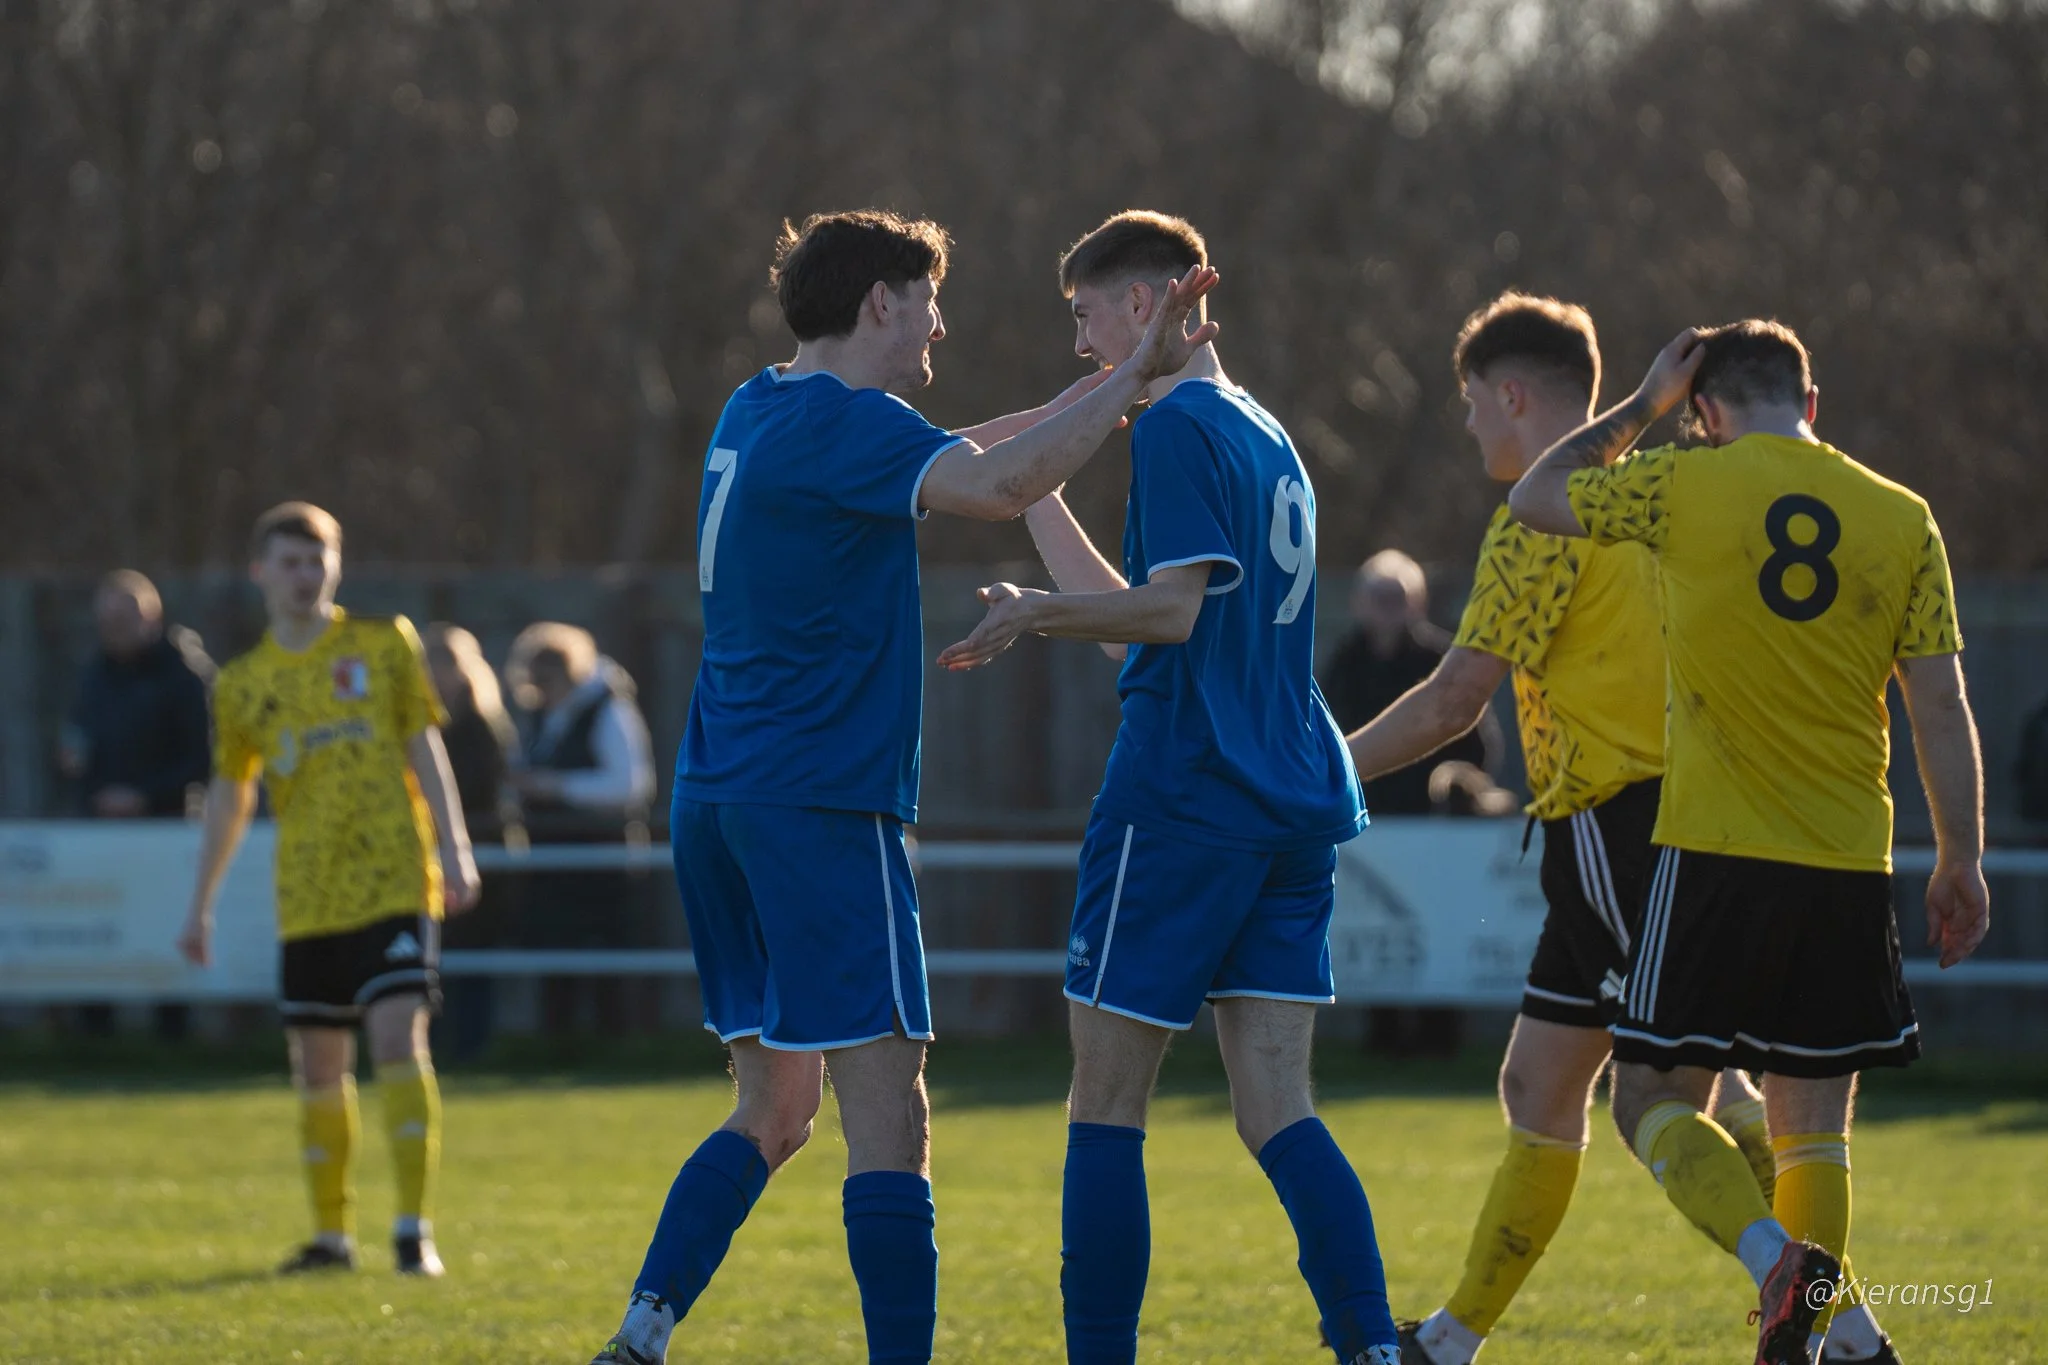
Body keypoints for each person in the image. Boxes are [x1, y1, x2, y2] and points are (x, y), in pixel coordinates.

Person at [589, 209, 1216, 1365]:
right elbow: (997, 487)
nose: (938, 327)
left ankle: (640, 1333)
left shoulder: (759, 407)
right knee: (891, 1115)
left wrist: (1094, 399)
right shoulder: (852, 422)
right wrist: (1134, 372)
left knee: (775, 1110)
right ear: (880, 301)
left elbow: (962, 455)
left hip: (719, 798)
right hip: (820, 807)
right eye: (928, 302)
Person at [939, 210, 1397, 1365]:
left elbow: (1169, 612)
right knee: (1276, 1110)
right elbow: (1142, 629)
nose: (1082, 344)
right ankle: (1372, 1347)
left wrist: (1035, 614)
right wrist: (1033, 495)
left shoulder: (1180, 424)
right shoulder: (1264, 431)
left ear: (1144, 305)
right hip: (1285, 808)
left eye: (1086, 316)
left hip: (1186, 797)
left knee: (1104, 1107)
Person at [1344, 294, 1831, 1363]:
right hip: (1651, 827)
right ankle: (1448, 1342)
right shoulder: (1670, 493)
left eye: (1472, 402)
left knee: (1666, 1091)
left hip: (1625, 828)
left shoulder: (1547, 514)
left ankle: (1814, 1301)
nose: (1469, 423)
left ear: (1513, 395)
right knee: (1540, 1083)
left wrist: (1317, 774)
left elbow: (1451, 700)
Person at [1510, 321, 1989, 1364]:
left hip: (1713, 853)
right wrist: (1960, 855)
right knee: (1810, 1123)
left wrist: (1642, 404)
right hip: (1846, 859)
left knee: (1648, 1096)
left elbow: (1534, 495)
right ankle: (1825, 1345)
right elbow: (1940, 704)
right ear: (1810, 404)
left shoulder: (1681, 482)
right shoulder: (1901, 515)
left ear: (1707, 414)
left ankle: (1775, 1263)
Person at [176, 502, 482, 1278]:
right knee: (317, 1065)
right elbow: (231, 795)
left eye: (318, 561)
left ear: (337, 568)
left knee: (397, 1036)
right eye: (290, 562)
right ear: (261, 572)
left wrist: (454, 846)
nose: (305, 575)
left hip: (394, 875)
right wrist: (201, 902)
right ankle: (331, 1237)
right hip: (309, 892)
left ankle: (413, 1233)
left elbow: (424, 743)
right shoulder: (243, 684)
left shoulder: (383, 645)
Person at [506, 622, 659, 1034]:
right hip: (553, 866)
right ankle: (560, 1045)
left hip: (603, 862)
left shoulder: (609, 709)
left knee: (607, 960)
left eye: (548, 680)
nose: (541, 690)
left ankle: (614, 1045)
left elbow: (631, 786)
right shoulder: (543, 716)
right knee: (556, 957)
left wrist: (555, 786)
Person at [1319, 549, 1491, 815]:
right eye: (1379, 598)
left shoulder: (1442, 662)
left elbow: (1474, 746)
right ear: (1359, 602)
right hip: (1359, 809)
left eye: (1396, 597)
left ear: (1418, 601)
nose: (1388, 607)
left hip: (1432, 815)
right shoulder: (1341, 665)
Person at [425, 623, 522, 1058]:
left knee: (471, 954)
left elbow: (478, 792)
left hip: (478, 854)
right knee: (435, 954)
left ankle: (470, 1045)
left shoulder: (480, 727)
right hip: (435, 852)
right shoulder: (428, 725)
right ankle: (435, 1043)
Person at [60, 569, 211, 818]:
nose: (113, 631)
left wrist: (145, 796)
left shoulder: (182, 676)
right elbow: (77, 743)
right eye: (106, 623)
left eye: (122, 621)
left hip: (169, 822)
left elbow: (202, 759)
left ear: (151, 618)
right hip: (101, 822)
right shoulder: (94, 677)